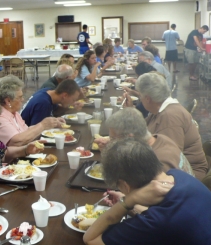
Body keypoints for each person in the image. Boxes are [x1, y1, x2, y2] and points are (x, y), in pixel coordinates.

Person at [83, 138, 211, 245]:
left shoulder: (154, 222)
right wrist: (130, 206)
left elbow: (91, 239)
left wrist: (127, 202)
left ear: (125, 185)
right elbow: (167, 214)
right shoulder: (178, 175)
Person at [132, 72, 208, 179]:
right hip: (176, 171)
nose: (140, 100)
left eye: (140, 96)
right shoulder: (160, 110)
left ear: (148, 98)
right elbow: (142, 130)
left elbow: (168, 161)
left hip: (188, 176)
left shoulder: (169, 117)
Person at [94, 107, 193, 176]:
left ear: (129, 138)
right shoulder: (160, 138)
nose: (111, 142)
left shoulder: (154, 162)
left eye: (113, 139)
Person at [0, 75, 60, 146]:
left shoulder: (14, 113)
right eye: (20, 97)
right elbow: (17, 141)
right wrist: (42, 125)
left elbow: (27, 131)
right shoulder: (0, 118)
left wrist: (52, 123)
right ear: (8, 101)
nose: (22, 99)